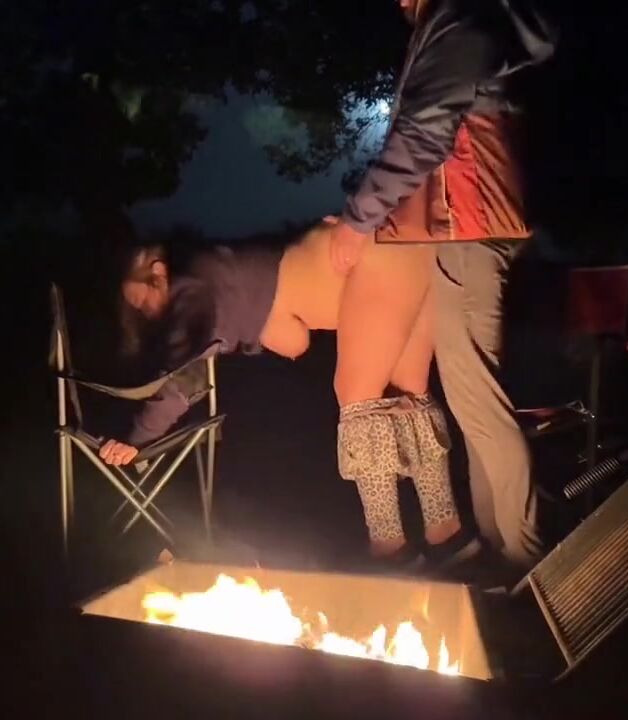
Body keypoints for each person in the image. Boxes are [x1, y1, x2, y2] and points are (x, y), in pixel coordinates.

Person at [99, 219, 480, 570]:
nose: (146, 312)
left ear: (157, 272)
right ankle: (446, 535)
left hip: (376, 256)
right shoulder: (216, 275)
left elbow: (182, 376)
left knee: (357, 395)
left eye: (141, 301)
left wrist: (138, 438)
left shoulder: (193, 288)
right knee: (410, 389)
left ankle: (390, 550)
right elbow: (237, 355)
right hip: (401, 246)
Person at [327, 0, 557, 578]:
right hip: (473, 232)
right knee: (473, 403)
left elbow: (426, 133)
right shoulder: (461, 20)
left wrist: (360, 218)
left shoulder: (458, 20)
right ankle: (501, 553)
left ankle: (528, 562)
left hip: (474, 229)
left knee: (480, 402)